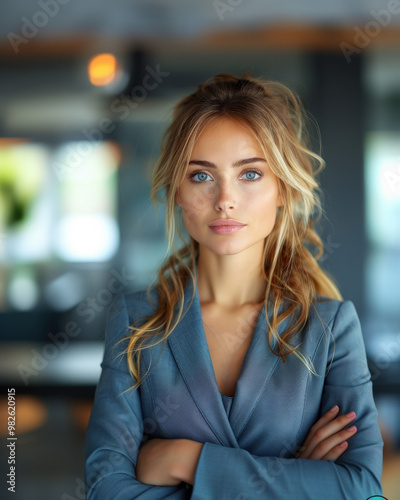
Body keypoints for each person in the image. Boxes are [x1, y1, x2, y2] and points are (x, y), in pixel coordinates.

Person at [84, 73, 383, 499]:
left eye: (250, 174)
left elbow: (363, 490)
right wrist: (293, 479)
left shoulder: (332, 329)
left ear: (282, 187)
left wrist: (186, 459)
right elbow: (106, 491)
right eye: (202, 176)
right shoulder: (137, 321)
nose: (225, 198)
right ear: (177, 191)